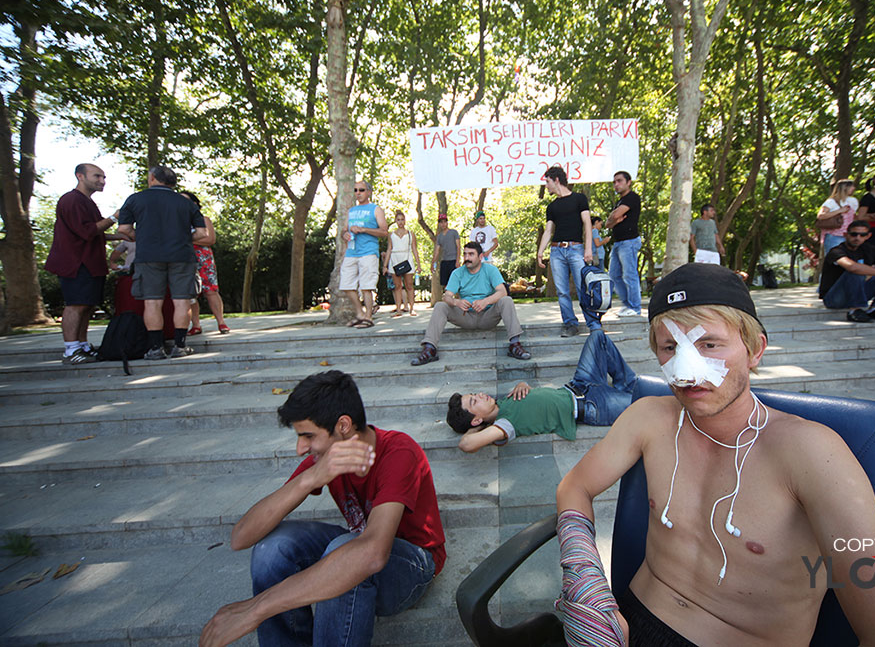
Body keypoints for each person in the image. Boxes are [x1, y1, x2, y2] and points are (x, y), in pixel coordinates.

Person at [554, 262, 875, 647]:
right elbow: (575, 487)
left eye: (708, 344)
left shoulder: (811, 454)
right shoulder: (648, 418)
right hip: (627, 623)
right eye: (670, 347)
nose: (687, 371)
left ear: (754, 350)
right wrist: (588, 589)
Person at [200, 370, 445, 647]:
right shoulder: (328, 458)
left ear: (343, 425)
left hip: (414, 565)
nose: (299, 448)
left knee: (347, 553)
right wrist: (310, 478)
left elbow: (373, 553)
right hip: (362, 546)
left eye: (308, 436)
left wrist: (256, 609)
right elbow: (240, 538)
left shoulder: (399, 452)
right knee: (273, 549)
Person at [447, 330, 636, 452]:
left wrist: (522, 383)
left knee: (598, 337)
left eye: (474, 394)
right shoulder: (503, 424)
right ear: (476, 419)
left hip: (580, 383)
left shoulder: (503, 403)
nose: (479, 395)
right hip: (592, 405)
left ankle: (629, 384)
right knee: (648, 403)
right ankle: (630, 392)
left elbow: (531, 403)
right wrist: (480, 426)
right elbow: (466, 444)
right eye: (474, 402)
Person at [117, 165, 207, 360]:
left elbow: (124, 229)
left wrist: (141, 238)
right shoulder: (186, 203)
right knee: (182, 300)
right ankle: (180, 346)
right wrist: (180, 238)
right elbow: (202, 233)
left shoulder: (135, 199)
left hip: (148, 256)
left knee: (152, 302)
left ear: (152, 178)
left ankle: (156, 348)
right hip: (182, 256)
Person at [43, 163, 122, 364]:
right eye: (97, 176)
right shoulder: (71, 200)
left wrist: (120, 237)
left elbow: (95, 233)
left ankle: (82, 345)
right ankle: (71, 350)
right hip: (76, 263)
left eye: (104, 178)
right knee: (76, 305)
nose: (102, 181)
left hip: (91, 262)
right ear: (80, 176)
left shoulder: (87, 202)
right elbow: (86, 232)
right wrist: (114, 217)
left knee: (87, 306)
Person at [412, 242, 530, 365]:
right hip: (465, 316)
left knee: (507, 300)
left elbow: (503, 291)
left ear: (480, 257)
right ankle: (430, 349)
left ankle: (515, 345)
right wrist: (456, 302)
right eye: (465, 254)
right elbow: (446, 296)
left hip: (488, 316)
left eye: (471, 254)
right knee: (440, 306)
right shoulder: (457, 273)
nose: (467, 258)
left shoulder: (491, 270)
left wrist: (486, 301)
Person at [537, 165, 598, 337]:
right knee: (562, 291)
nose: (546, 185)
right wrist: (540, 252)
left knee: (583, 288)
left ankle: (593, 323)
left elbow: (587, 223)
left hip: (576, 249)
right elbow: (549, 231)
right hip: (557, 252)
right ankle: (570, 324)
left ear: (556, 180)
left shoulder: (579, 199)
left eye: (547, 181)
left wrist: (588, 249)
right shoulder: (551, 207)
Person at [819, 220, 875, 322]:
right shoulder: (836, 251)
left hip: (858, 293)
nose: (857, 238)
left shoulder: (868, 249)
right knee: (856, 271)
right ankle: (854, 310)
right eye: (854, 234)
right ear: (846, 235)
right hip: (835, 299)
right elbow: (852, 267)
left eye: (862, 235)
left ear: (868, 236)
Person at [179, 191, 230, 335]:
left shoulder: (203, 219)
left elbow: (210, 240)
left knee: (211, 291)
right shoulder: (176, 222)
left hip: (204, 259)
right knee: (191, 294)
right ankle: (195, 325)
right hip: (184, 259)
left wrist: (185, 239)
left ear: (194, 203)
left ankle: (221, 322)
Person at [340, 180, 388, 328]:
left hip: (368, 252)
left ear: (368, 192)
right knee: (346, 285)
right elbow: (343, 230)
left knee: (367, 286)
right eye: (355, 190)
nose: (358, 193)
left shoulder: (376, 209)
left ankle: (369, 317)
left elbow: (384, 232)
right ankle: (360, 314)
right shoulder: (351, 211)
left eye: (361, 190)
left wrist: (364, 230)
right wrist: (345, 235)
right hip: (351, 252)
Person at [604, 170, 642, 317]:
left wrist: (614, 218)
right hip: (618, 243)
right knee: (613, 275)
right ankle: (627, 305)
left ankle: (635, 307)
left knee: (630, 275)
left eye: (619, 181)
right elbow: (608, 223)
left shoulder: (632, 198)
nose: (616, 184)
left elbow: (614, 216)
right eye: (614, 182)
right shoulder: (620, 202)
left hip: (629, 242)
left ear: (628, 182)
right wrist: (613, 219)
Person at [382, 210, 422, 317]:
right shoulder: (391, 235)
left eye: (402, 219)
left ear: (405, 220)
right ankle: (399, 309)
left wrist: (418, 264)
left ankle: (412, 308)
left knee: (409, 285)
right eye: (398, 220)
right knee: (397, 286)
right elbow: (389, 249)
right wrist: (385, 266)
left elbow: (414, 249)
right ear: (395, 221)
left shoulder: (410, 234)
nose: (400, 222)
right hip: (395, 259)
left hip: (407, 258)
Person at [816, 179, 859, 254]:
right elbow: (821, 216)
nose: (853, 188)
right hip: (833, 235)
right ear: (845, 188)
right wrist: (840, 211)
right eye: (851, 186)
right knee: (834, 258)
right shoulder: (831, 202)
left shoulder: (853, 201)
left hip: (849, 235)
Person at [431, 213, 460, 289]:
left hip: (453, 260)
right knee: (445, 283)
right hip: (444, 261)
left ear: (447, 222)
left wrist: (457, 261)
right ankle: (448, 298)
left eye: (444, 222)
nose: (443, 224)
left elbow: (458, 247)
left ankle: (457, 299)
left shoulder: (454, 232)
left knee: (455, 282)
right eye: (441, 222)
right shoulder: (439, 236)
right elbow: (437, 251)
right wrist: (433, 262)